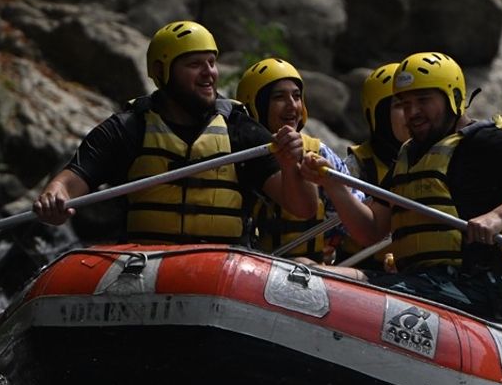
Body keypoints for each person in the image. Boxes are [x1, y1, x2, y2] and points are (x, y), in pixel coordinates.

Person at [299, 51, 502, 323]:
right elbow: (371, 230)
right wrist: (333, 185)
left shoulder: (482, 142)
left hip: (480, 290)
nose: (413, 112)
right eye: (404, 104)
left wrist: (499, 216)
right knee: (311, 271)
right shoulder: (409, 155)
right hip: (422, 282)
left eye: (423, 100)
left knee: (329, 277)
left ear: (454, 98)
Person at [34, 20, 317, 243]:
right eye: (195, 64)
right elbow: (72, 180)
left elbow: (302, 208)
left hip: (222, 269)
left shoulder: (240, 130)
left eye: (211, 62)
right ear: (162, 71)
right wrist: (54, 195)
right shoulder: (128, 127)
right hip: (144, 264)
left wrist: (291, 165)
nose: (209, 73)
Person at [236, 57, 361, 261]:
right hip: (253, 268)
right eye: (279, 97)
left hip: (312, 271)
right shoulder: (240, 154)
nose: (292, 106)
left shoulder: (320, 153)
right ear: (256, 104)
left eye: (296, 96)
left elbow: (353, 219)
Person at [338, 62, 409, 268]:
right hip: (363, 268)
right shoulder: (356, 166)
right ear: (379, 115)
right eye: (399, 105)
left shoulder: (436, 160)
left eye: (415, 105)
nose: (412, 114)